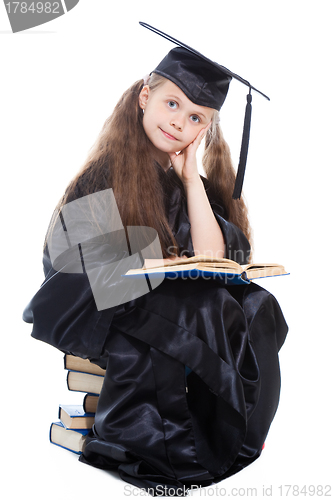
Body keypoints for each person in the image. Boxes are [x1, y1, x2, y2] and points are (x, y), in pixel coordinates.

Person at [23, 24, 288, 496]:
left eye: (196, 118)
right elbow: (82, 273)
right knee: (206, 309)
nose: (179, 124)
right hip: (94, 303)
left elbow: (213, 259)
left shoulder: (187, 181)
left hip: (156, 299)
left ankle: (242, 437)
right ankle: (170, 450)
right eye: (173, 104)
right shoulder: (106, 173)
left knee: (256, 305)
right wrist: (150, 257)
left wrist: (190, 182)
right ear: (145, 97)